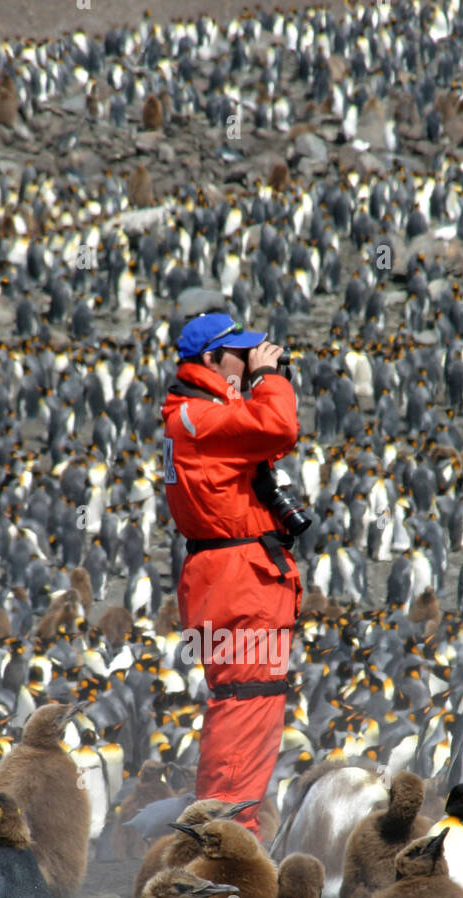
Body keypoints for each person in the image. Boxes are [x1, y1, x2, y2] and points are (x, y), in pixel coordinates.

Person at [161, 312, 303, 839]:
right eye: (239, 354)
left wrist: (249, 384)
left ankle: (227, 827)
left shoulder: (199, 413)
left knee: (249, 702)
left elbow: (268, 441)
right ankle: (225, 836)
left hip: (234, 579)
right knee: (246, 704)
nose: (248, 360)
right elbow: (280, 427)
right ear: (210, 361)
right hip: (238, 584)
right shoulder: (199, 416)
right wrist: (270, 380)